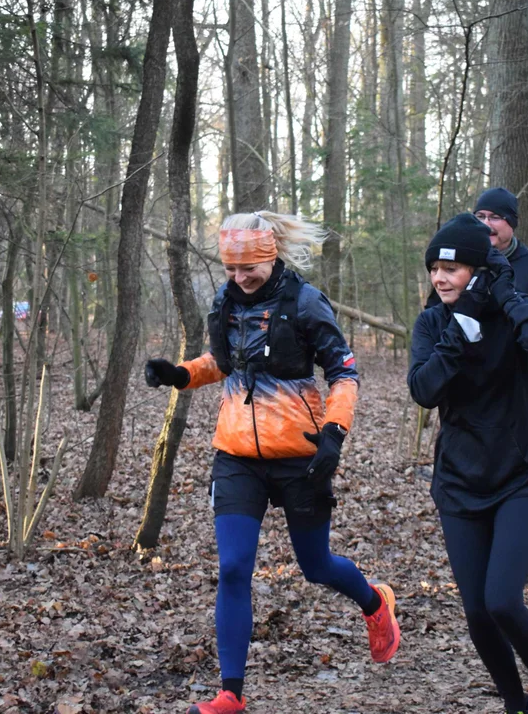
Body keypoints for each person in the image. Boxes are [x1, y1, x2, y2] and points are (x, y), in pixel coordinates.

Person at [145, 212, 400, 714]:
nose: (239, 279)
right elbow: (222, 362)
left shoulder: (305, 303)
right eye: (231, 269)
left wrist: (334, 431)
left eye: (249, 269)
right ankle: (231, 694)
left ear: (271, 257)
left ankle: (375, 603)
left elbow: (344, 372)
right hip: (236, 455)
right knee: (235, 568)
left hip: (302, 455)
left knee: (316, 566)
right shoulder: (224, 301)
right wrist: (180, 374)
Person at [408, 213, 528, 714]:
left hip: (521, 473)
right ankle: (514, 704)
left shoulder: (508, 309)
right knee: (478, 614)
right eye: (435, 268)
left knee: (502, 598)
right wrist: (462, 325)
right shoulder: (433, 322)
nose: (440, 278)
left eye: (453, 269)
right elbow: (424, 388)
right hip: (460, 481)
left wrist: (505, 297)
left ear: (477, 272)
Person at [424, 188, 528, 349]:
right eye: (480, 216)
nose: (486, 224)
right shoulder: (457, 263)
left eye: (495, 217)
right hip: (458, 361)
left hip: (516, 365)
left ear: (512, 223)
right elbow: (433, 313)